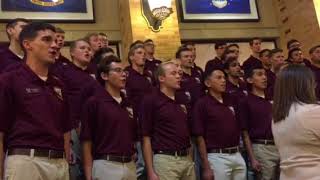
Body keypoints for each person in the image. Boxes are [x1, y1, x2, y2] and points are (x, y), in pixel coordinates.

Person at [0, 22, 72, 180]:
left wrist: (65, 161)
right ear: (27, 44)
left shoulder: (58, 84)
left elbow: (66, 128)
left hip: (59, 163)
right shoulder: (9, 80)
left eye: (55, 41)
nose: (54, 45)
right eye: (47, 40)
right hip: (26, 162)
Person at [81, 55, 137, 180]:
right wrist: (88, 173)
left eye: (124, 71)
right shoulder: (94, 102)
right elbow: (86, 141)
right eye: (118, 71)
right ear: (104, 76)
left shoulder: (128, 103)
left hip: (130, 165)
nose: (123, 75)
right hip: (106, 165)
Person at [51, 39, 99, 180]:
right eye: (82, 48)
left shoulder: (95, 73)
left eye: (89, 49)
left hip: (94, 127)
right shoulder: (63, 70)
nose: (87, 51)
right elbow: (60, 101)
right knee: (74, 169)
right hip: (73, 126)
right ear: (72, 52)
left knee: (92, 169)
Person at [141, 61, 195, 180]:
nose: (178, 76)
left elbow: (187, 132)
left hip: (186, 158)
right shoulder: (151, 100)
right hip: (166, 159)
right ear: (161, 78)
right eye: (173, 73)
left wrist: (190, 158)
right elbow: (146, 137)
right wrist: (150, 170)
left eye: (179, 73)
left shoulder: (182, 99)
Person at [192, 66, 246, 180]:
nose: (223, 80)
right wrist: (206, 166)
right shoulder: (201, 104)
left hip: (237, 153)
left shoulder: (231, 99)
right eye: (219, 78)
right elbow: (199, 136)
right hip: (217, 156)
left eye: (224, 78)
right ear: (207, 83)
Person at [272, 64, 320, 180]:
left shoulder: (277, 117)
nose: (315, 86)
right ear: (305, 85)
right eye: (312, 82)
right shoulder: (312, 111)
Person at [239, 64, 280, 180]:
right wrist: (252, 158)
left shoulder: (273, 98)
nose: (264, 78)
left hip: (279, 145)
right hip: (261, 147)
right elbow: (245, 132)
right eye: (260, 75)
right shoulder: (245, 101)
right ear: (250, 80)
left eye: (265, 75)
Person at [125, 44, 154, 180]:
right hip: (136, 126)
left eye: (144, 53)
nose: (143, 55)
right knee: (139, 166)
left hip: (151, 125)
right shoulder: (127, 74)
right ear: (131, 57)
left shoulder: (149, 75)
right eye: (139, 53)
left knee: (151, 166)